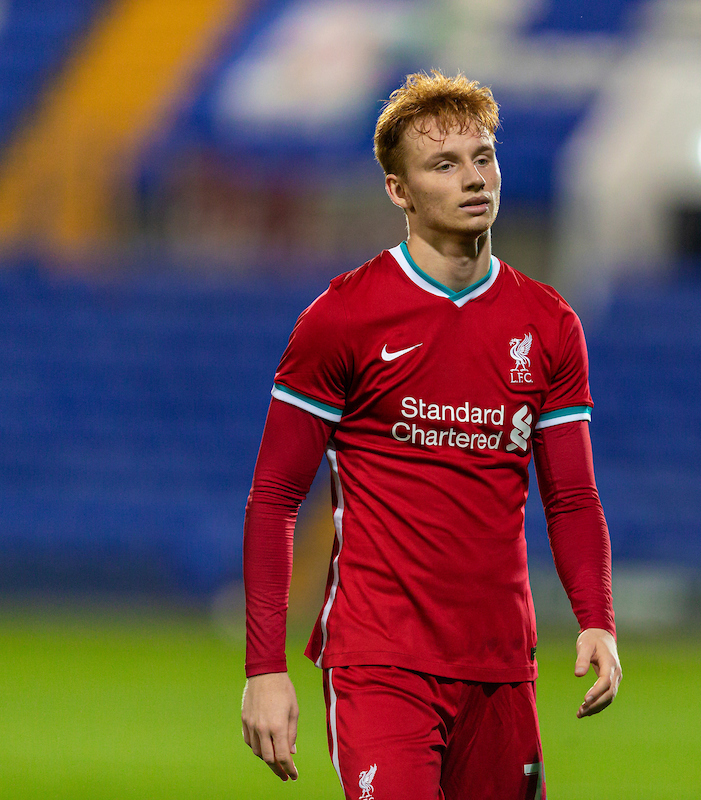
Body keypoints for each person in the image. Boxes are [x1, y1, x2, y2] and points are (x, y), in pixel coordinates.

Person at [240, 70, 620, 800]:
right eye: (444, 165)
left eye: (483, 157)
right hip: (379, 660)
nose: (474, 178)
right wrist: (265, 668)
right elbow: (274, 498)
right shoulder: (344, 319)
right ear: (398, 191)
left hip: (502, 664)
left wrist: (596, 620)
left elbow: (571, 498)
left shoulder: (547, 323)